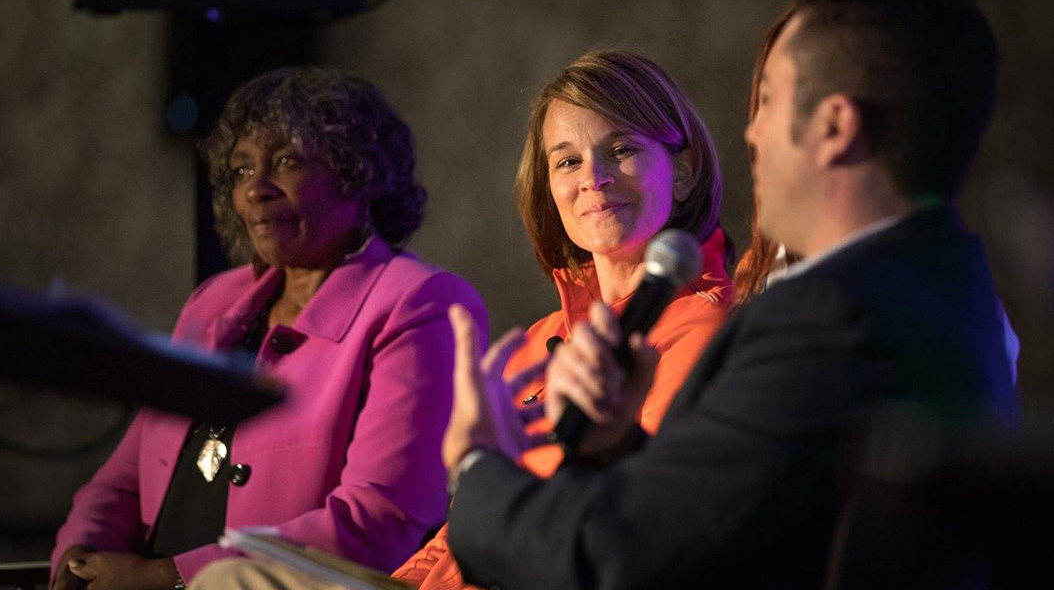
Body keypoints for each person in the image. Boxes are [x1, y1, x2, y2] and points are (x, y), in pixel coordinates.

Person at [442, 0, 1015, 588]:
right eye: (566, 162)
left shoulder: (830, 318)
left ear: (834, 127)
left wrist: (477, 463)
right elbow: (734, 527)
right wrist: (616, 445)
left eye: (767, 101)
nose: (750, 132)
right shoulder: (942, 279)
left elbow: (622, 560)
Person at [187, 50, 736, 590]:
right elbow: (458, 535)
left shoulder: (707, 335)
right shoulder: (540, 341)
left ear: (683, 173)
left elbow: (635, 533)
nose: (594, 177)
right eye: (567, 160)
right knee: (233, 576)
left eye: (620, 150)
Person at [50, 67, 487, 590]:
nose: (256, 190)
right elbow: (122, 480)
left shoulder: (417, 302)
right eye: (239, 170)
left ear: (358, 173)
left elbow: (379, 521)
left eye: (286, 162)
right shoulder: (214, 301)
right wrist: (78, 558)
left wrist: (169, 578)